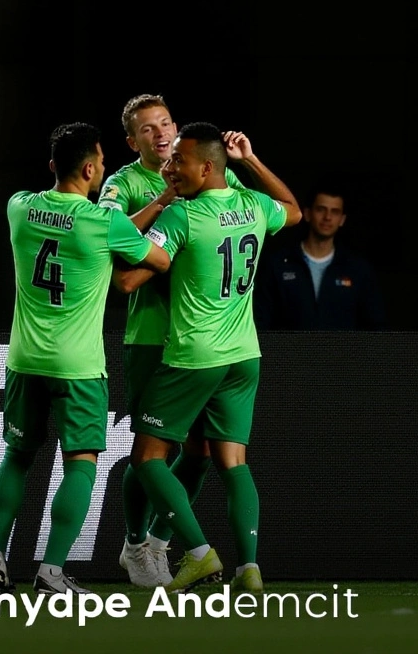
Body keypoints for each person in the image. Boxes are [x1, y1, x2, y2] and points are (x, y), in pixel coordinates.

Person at [0, 123, 170, 594]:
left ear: (52, 167)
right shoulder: (104, 224)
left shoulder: (19, 207)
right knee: (81, 463)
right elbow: (160, 260)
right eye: (101, 163)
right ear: (89, 169)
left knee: (17, 456)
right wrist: (164, 205)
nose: (103, 169)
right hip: (79, 368)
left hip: (24, 360)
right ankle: (50, 570)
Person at [115, 123, 301, 593]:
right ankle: (250, 568)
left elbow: (128, 281)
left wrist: (148, 227)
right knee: (232, 461)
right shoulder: (254, 206)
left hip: (194, 355)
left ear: (206, 167)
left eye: (179, 160)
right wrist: (252, 160)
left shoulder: (184, 217)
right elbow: (294, 211)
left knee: (147, 457)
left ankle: (197, 553)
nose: (170, 168)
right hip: (244, 356)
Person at [99, 94, 248, 587]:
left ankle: (161, 542)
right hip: (151, 335)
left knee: (200, 452)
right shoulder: (125, 182)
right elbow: (107, 234)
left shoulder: (204, 171)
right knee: (151, 451)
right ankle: (136, 543)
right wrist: (162, 203)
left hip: (208, 343)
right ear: (132, 140)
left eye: (165, 124)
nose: (160, 134)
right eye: (147, 129)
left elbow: (246, 213)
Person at [253, 185, 387, 330]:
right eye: (321, 209)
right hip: (291, 352)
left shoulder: (358, 270)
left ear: (342, 219)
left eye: (335, 212)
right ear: (307, 213)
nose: (327, 217)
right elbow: (261, 322)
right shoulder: (278, 264)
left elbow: (375, 326)